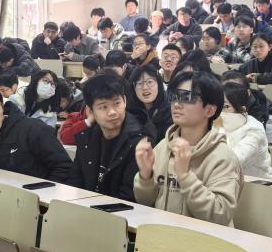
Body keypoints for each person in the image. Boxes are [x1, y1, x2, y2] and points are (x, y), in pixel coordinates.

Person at [133, 71, 242, 226]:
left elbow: (220, 215)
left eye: (187, 97)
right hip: (162, 234)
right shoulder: (163, 146)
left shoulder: (223, 157)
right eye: (174, 96)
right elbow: (144, 201)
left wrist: (185, 176)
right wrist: (146, 176)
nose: (177, 104)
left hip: (201, 239)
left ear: (209, 110)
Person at [68, 73, 155, 201]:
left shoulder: (140, 142)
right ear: (90, 111)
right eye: (103, 107)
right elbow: (75, 184)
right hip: (85, 207)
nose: (112, 112)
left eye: (117, 103)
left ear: (125, 101)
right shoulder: (86, 138)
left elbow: (129, 196)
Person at [220, 81, 272, 180]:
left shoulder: (254, 129)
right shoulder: (214, 123)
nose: (219, 111)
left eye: (225, 107)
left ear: (242, 109)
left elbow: (231, 162)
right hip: (225, 181)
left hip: (256, 185)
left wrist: (219, 128)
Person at [129, 64, 172, 142]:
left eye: (150, 82)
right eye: (140, 83)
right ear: (134, 88)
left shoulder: (170, 112)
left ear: (158, 84)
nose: (145, 87)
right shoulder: (130, 114)